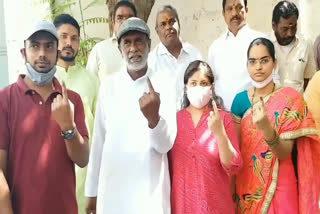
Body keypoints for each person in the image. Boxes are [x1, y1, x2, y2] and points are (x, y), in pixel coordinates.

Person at [85, 17, 177, 214]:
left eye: (139, 41)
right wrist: (91, 192)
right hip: (113, 195)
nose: (133, 48)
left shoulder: (164, 83)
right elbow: (98, 142)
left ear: (149, 45)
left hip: (149, 196)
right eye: (127, 42)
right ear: (120, 49)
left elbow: (165, 145)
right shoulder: (108, 86)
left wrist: (154, 120)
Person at [0, 20, 89, 214]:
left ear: (57, 54)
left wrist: (68, 128)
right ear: (24, 53)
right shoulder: (5, 99)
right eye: (34, 46)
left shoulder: (71, 100)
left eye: (49, 46)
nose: (42, 53)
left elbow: (83, 159)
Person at [231, 37, 320, 213]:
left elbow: (284, 152)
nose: (258, 67)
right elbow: (237, 154)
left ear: (275, 63)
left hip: (283, 182)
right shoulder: (239, 102)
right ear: (247, 65)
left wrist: (265, 128)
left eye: (264, 60)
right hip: (248, 186)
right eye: (253, 61)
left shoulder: (290, 98)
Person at [168, 60, 242, 213]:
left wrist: (219, 133)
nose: (198, 88)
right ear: (186, 87)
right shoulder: (174, 121)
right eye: (193, 83)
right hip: (183, 206)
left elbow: (232, 166)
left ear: (212, 87)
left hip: (216, 206)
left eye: (203, 83)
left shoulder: (224, 119)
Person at [53, 14, 99, 214]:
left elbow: (100, 133)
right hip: (52, 176)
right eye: (63, 37)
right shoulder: (44, 80)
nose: (68, 43)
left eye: (74, 38)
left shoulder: (91, 81)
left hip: (85, 177)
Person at [208, 0, 264, 111]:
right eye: (229, 9)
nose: (234, 13)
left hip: (255, 116)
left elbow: (273, 79)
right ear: (223, 14)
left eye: (239, 7)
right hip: (224, 119)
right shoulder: (215, 47)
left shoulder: (260, 41)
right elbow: (211, 85)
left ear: (246, 10)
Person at [148, 5, 202, 110]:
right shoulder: (151, 62)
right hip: (165, 125)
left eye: (172, 21)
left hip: (193, 122)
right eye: (163, 24)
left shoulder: (194, 55)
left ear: (179, 24)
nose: (168, 27)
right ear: (157, 31)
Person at [86, 0, 137, 82]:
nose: (124, 22)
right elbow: (90, 84)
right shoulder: (99, 50)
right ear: (113, 22)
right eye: (120, 18)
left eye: (129, 18)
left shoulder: (143, 50)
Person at [271, 0, 315, 93]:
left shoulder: (306, 44)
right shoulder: (267, 46)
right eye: (285, 29)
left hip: (298, 105)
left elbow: (308, 78)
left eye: (293, 27)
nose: (290, 34)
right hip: (274, 105)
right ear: (274, 25)